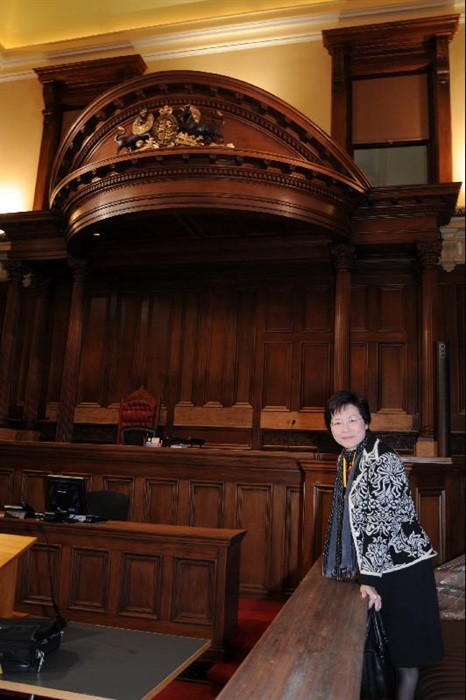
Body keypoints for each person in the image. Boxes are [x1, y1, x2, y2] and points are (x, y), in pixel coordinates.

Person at [322, 390, 443, 700]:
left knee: (406, 658)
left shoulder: (382, 458)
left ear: (366, 422)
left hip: (404, 570)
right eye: (337, 422)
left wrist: (371, 581)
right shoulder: (348, 458)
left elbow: (380, 524)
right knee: (385, 653)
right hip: (380, 568)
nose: (345, 428)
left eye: (353, 420)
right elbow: (348, 519)